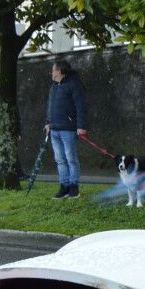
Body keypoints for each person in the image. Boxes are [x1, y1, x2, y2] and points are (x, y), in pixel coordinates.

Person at [44, 59, 87, 200]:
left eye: (53, 70)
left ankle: (74, 187)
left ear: (60, 71)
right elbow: (50, 107)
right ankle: (64, 187)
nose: (52, 72)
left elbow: (81, 106)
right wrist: (48, 122)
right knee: (60, 160)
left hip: (68, 129)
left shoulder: (74, 84)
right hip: (54, 130)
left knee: (71, 159)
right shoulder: (54, 87)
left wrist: (81, 126)